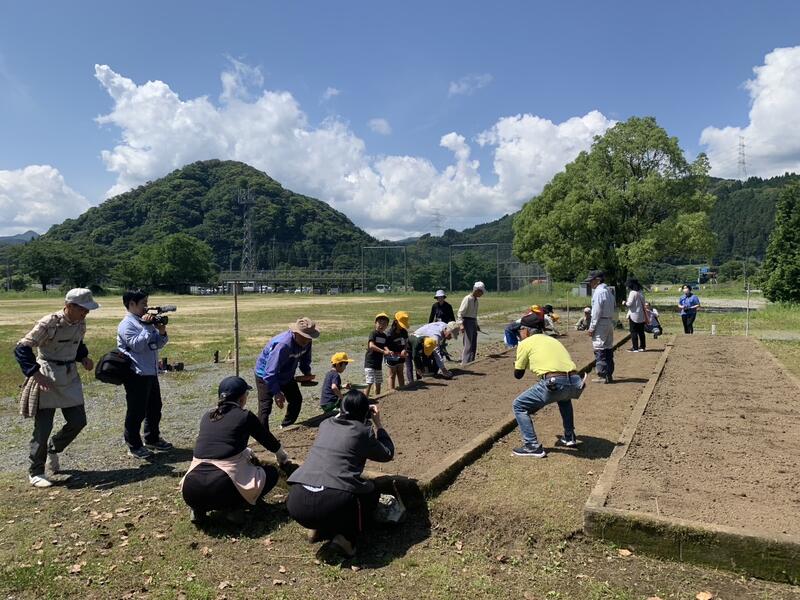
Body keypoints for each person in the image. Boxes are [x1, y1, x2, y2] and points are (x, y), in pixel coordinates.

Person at [286, 390, 395, 557]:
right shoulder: (362, 431)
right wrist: (378, 425)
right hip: (331, 501)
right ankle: (345, 540)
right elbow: (387, 453)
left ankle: (318, 528)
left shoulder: (325, 424)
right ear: (365, 412)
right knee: (370, 492)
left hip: (297, 501)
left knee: (330, 492)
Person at [14, 288, 99, 487]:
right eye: (83, 309)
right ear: (69, 306)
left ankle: (54, 448)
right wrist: (35, 374)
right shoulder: (49, 323)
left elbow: (77, 344)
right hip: (47, 376)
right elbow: (21, 347)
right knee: (43, 428)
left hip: (69, 375)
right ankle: (36, 471)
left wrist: (83, 357)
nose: (86, 313)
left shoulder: (80, 322)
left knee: (78, 421)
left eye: (87, 309)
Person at [180, 376, 290, 524]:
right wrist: (282, 457)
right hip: (221, 487)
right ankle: (234, 507)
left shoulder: (208, 416)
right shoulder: (244, 416)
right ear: (242, 398)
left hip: (190, 489)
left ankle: (198, 509)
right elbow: (268, 441)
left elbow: (221, 445)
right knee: (271, 473)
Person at [511, 313, 587, 458]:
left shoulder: (525, 343)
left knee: (519, 405)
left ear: (526, 330)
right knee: (564, 399)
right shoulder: (553, 340)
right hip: (576, 381)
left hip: (554, 382)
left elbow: (518, 374)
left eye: (520, 330)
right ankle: (569, 436)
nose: (519, 333)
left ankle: (531, 446)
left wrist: (518, 362)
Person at [117, 289, 172, 459]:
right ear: (131, 304)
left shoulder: (144, 321)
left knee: (155, 408)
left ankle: (152, 438)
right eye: (143, 304)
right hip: (136, 373)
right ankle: (134, 446)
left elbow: (157, 344)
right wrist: (148, 327)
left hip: (150, 371)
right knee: (136, 412)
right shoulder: (127, 324)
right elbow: (137, 345)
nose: (146, 307)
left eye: (147, 303)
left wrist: (161, 332)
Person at [255, 317, 319, 429]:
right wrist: (277, 393)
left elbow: (305, 360)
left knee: (296, 400)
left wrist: (307, 374)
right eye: (304, 338)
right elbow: (270, 373)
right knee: (265, 406)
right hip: (266, 375)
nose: (306, 341)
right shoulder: (283, 345)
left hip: (286, 374)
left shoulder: (307, 342)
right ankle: (262, 435)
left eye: (309, 338)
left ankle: (286, 427)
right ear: (296, 333)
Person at [585, 271, 616, 384]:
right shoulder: (609, 291)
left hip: (600, 322)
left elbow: (596, 312)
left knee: (599, 348)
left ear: (598, 280)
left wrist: (591, 327)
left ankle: (602, 374)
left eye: (591, 281)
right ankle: (609, 374)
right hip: (609, 321)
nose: (590, 283)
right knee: (608, 347)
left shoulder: (598, 292)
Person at [458, 281, 485, 365]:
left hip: (473, 322)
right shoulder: (468, 299)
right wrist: (461, 324)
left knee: (473, 343)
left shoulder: (476, 301)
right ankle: (465, 362)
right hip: (467, 321)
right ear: (477, 290)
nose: (482, 294)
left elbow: (474, 314)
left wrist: (476, 324)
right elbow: (460, 313)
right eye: (481, 292)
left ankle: (471, 361)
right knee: (468, 343)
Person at [364, 313, 391, 397]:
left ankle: (377, 397)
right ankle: (364, 399)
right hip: (370, 362)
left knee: (378, 382)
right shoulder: (373, 333)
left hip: (378, 363)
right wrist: (383, 351)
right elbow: (371, 346)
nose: (381, 325)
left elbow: (385, 345)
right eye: (379, 323)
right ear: (375, 323)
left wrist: (388, 351)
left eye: (384, 324)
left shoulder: (384, 336)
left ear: (387, 326)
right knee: (369, 382)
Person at [385, 311, 410, 390]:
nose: (402, 326)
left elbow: (406, 343)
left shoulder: (404, 332)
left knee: (400, 373)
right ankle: (391, 392)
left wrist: (405, 349)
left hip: (401, 356)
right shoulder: (389, 333)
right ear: (396, 321)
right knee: (392, 375)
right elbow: (384, 345)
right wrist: (388, 351)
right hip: (392, 357)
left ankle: (402, 389)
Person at [623, 279, 647, 352]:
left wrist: (624, 303)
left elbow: (629, 304)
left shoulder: (632, 293)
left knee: (633, 331)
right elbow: (644, 303)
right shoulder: (641, 292)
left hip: (633, 314)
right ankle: (642, 347)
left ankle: (635, 347)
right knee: (641, 332)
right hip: (641, 314)